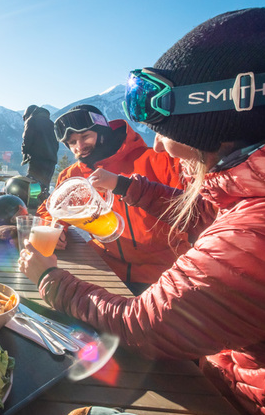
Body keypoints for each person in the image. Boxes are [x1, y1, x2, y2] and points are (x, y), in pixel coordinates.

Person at [19, 1, 265, 415]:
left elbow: (142, 324)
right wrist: (128, 188)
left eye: (163, 125)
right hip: (225, 367)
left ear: (213, 116)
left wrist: (49, 279)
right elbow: (206, 214)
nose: (159, 141)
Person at [36, 104, 190, 293]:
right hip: (105, 268)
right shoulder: (73, 175)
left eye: (85, 136)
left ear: (103, 132)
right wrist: (54, 228)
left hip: (165, 272)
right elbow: (51, 209)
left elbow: (199, 208)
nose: (80, 146)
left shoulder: (158, 160)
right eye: (72, 142)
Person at [20, 105, 59, 197]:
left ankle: (33, 208)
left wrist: (24, 152)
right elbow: (56, 143)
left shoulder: (31, 120)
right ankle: (44, 206)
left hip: (37, 159)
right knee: (44, 187)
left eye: (24, 118)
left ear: (27, 114)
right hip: (51, 160)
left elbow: (27, 139)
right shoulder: (51, 123)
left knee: (33, 186)